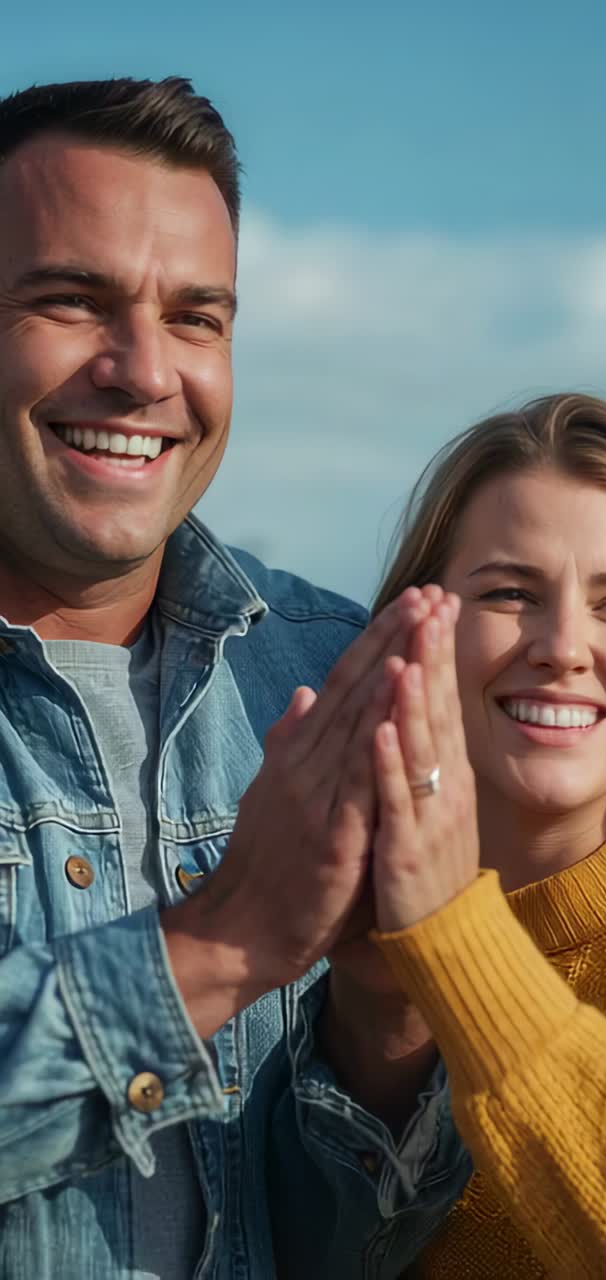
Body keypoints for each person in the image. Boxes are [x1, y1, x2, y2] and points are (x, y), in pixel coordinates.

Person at [0, 77, 469, 1279]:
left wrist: (391, 1018)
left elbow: (347, 1249)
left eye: (196, 317)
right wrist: (222, 941)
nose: (144, 370)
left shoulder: (333, 671)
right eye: (73, 300)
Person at [365, 392, 606, 1278]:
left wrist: (454, 939)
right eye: (510, 593)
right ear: (420, 626)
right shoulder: (319, 901)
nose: (563, 647)